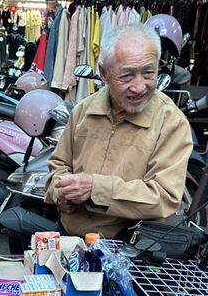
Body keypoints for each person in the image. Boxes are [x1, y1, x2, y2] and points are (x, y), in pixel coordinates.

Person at [44, 23, 193, 239]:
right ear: (104, 73)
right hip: (68, 235)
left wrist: (95, 189)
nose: (139, 87)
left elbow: (164, 197)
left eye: (148, 73)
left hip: (126, 248)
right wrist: (60, 192)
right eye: (127, 76)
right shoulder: (84, 110)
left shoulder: (171, 123)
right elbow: (59, 165)